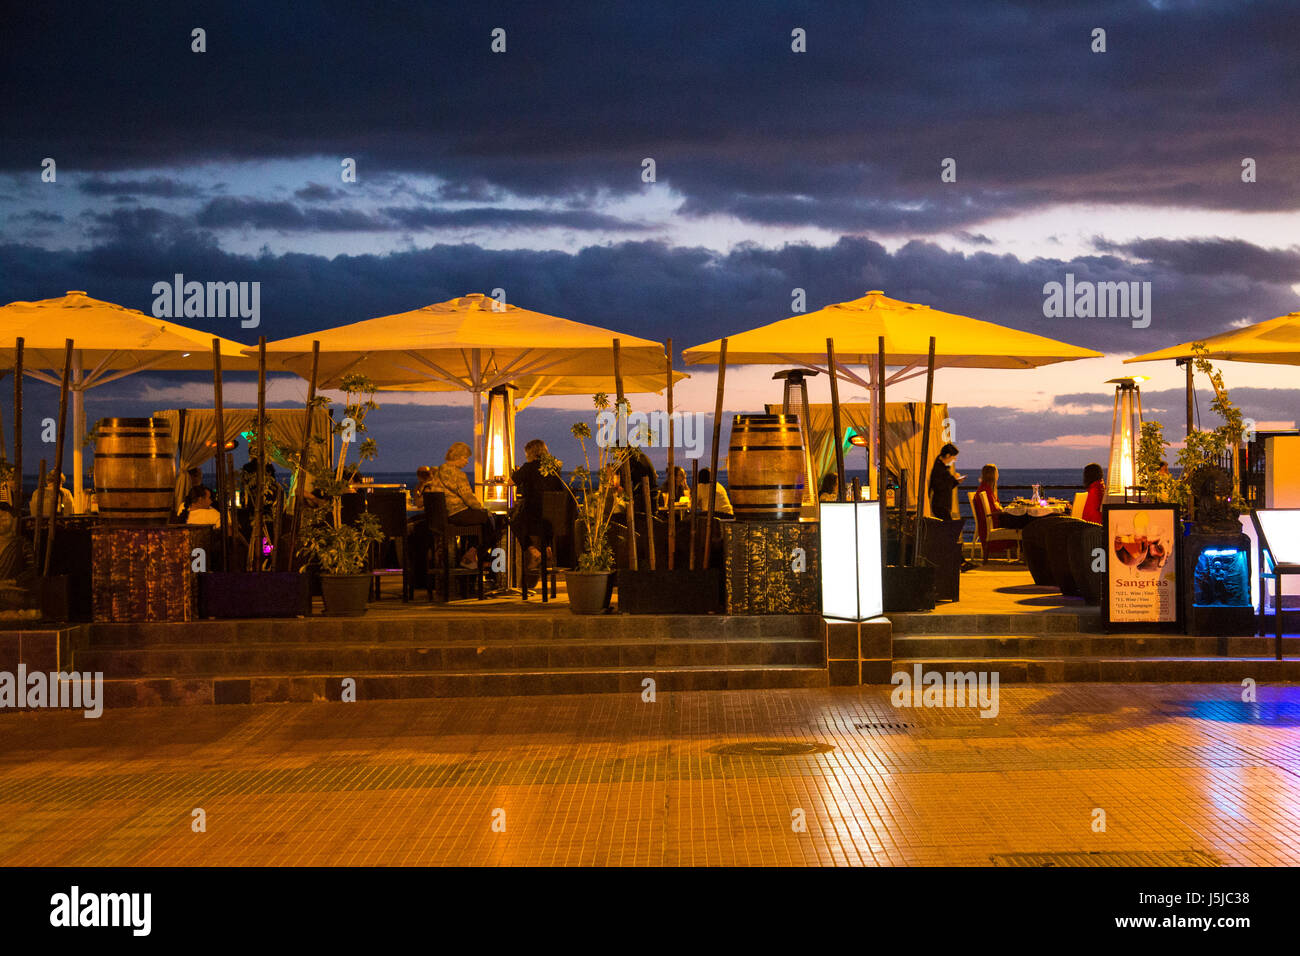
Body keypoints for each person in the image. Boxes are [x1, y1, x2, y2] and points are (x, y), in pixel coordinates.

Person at [424, 441, 497, 568]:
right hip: (457, 513)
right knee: (492, 519)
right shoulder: (459, 475)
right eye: (465, 458)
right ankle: (475, 556)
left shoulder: (439, 471)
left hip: (443, 517)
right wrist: (482, 509)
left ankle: (470, 554)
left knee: (479, 520)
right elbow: (469, 498)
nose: (467, 461)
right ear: (457, 457)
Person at [510, 439, 565, 573]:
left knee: (514, 522)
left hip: (535, 518)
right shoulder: (554, 468)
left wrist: (517, 472)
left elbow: (510, 482)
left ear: (530, 452)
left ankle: (533, 551)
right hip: (554, 521)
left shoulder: (529, 467)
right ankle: (547, 548)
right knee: (539, 520)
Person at [978, 464, 1033, 530]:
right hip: (997, 522)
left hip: (995, 520)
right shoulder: (986, 491)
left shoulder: (984, 488)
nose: (997, 475)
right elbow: (994, 511)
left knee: (1024, 518)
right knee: (1026, 519)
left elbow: (995, 507)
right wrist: (1008, 511)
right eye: (996, 473)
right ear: (994, 475)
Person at [928, 443, 963, 520]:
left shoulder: (942, 467)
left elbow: (947, 486)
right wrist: (952, 478)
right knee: (948, 527)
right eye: (954, 457)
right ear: (948, 455)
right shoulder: (939, 468)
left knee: (946, 527)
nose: (954, 460)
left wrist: (956, 481)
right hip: (940, 505)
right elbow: (939, 487)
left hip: (942, 505)